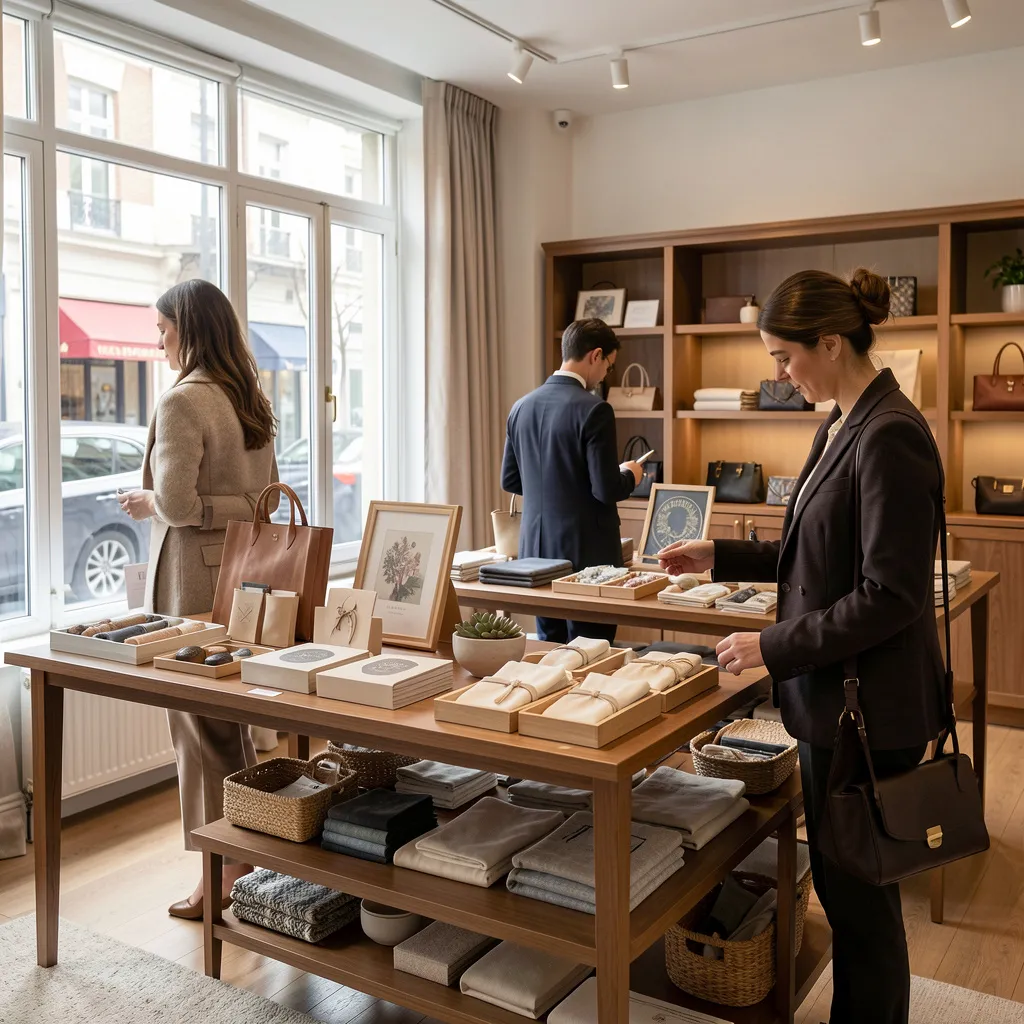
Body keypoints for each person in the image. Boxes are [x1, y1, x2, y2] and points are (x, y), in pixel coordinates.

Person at [658, 269, 946, 1024]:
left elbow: (891, 594)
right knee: (844, 885)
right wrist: (718, 556)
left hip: (869, 709)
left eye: (786, 357)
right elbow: (811, 550)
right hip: (834, 698)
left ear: (829, 340)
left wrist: (772, 645)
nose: (781, 375)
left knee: (861, 900)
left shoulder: (889, 434)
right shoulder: (841, 420)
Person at [120, 279, 278, 920]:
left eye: (162, 328)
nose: (157, 341)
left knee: (197, 731)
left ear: (187, 328)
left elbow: (180, 506)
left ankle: (221, 869)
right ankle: (245, 850)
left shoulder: (183, 402)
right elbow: (264, 503)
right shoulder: (249, 399)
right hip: (244, 579)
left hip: (191, 586)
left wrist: (154, 503)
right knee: (226, 724)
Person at [501, 318, 643, 644]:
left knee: (550, 650)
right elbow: (605, 489)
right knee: (591, 656)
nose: (607, 374)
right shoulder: (595, 410)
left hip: (535, 552)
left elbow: (510, 479)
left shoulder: (521, 407)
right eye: (609, 365)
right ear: (595, 355)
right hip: (588, 555)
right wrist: (630, 474)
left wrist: (555, 485)